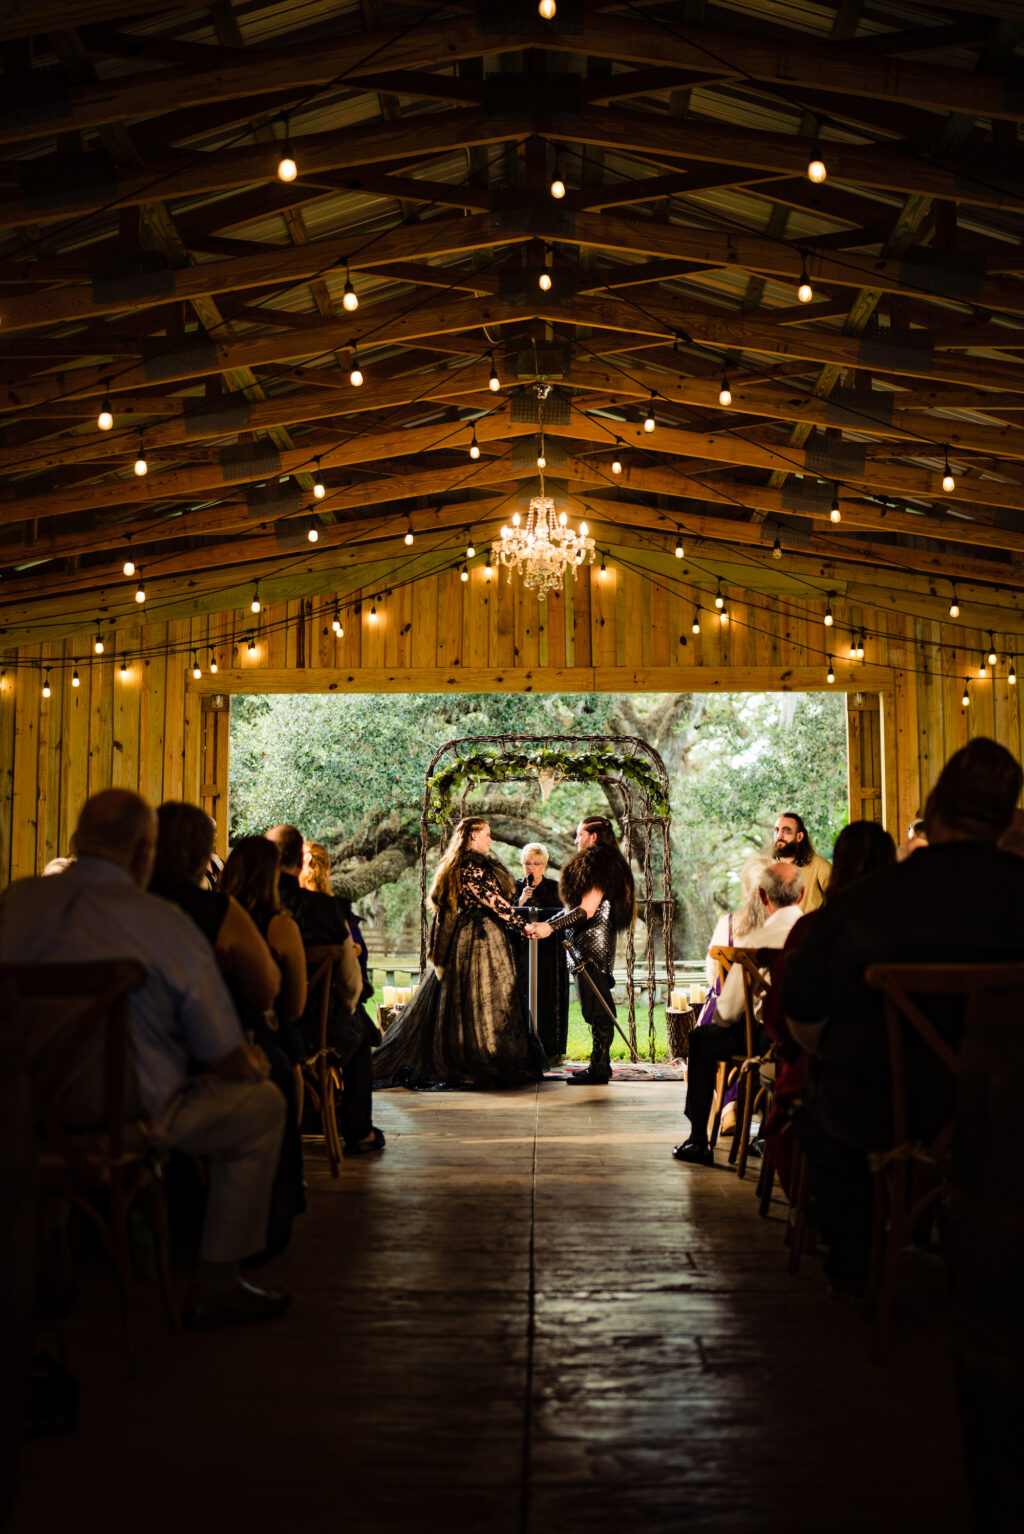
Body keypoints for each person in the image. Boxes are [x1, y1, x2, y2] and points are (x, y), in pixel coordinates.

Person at [0, 789, 290, 1329]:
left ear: (79, 842)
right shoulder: (161, 923)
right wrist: (247, 1061)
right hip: (125, 1128)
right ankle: (216, 1282)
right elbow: (219, 1050)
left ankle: (48, 1253)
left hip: (16, 1121)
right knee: (264, 1107)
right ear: (142, 853)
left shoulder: (15, 904)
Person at [783, 739, 1024, 1293]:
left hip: (884, 1108)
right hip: (1008, 1109)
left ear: (934, 809)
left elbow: (802, 1007)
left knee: (823, 1098)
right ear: (1006, 819)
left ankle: (858, 1264)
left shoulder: (865, 901)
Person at [154, 809, 307, 1260]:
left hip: (59, 1093)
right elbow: (270, 994)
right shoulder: (214, 914)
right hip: (175, 1080)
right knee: (267, 1095)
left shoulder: (110, 910)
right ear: (203, 858)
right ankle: (234, 1256)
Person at [372, 816, 546, 1089]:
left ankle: (489, 1055)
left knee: (492, 999)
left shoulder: (479, 863)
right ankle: (476, 1061)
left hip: (489, 934)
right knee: (477, 999)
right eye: (486, 834)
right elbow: (493, 901)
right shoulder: (468, 866)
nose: (491, 839)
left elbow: (500, 900)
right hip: (477, 937)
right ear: (473, 836)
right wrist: (523, 925)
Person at [672, 861, 804, 1165]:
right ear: (802, 894)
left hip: (761, 1039)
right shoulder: (813, 933)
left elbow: (728, 1011)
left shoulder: (756, 943)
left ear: (761, 894)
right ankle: (762, 1134)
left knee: (702, 1039)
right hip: (806, 1039)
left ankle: (698, 1139)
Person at [265, 823, 384, 1156]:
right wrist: (347, 1007)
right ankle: (359, 1133)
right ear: (300, 863)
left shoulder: (248, 906)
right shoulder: (330, 911)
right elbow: (350, 983)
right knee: (360, 1032)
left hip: (259, 1023)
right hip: (317, 1026)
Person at [526, 816, 635, 1086]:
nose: (576, 840)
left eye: (580, 835)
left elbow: (587, 909)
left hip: (593, 944)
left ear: (593, 837)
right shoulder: (599, 863)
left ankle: (599, 1068)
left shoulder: (600, 864)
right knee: (592, 1005)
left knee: (598, 1007)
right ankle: (601, 1064)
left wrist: (550, 929)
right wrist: (547, 924)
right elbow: (573, 908)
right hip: (584, 942)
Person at [514, 842, 569, 1060]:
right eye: (528, 863)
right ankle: (523, 1051)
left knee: (548, 994)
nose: (531, 867)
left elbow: (563, 916)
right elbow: (508, 915)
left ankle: (551, 1051)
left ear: (544, 865)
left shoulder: (555, 888)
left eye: (536, 863)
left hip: (549, 952)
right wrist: (521, 900)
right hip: (521, 950)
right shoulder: (514, 886)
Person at [704, 856, 768, 988]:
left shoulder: (727, 925)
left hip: (734, 1006)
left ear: (745, 890)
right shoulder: (789, 926)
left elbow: (712, 976)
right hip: (777, 1007)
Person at [772, 811, 831, 911]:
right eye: (777, 830)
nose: (779, 835)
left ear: (799, 837)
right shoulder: (766, 866)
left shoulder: (819, 865)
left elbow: (840, 902)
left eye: (786, 831)